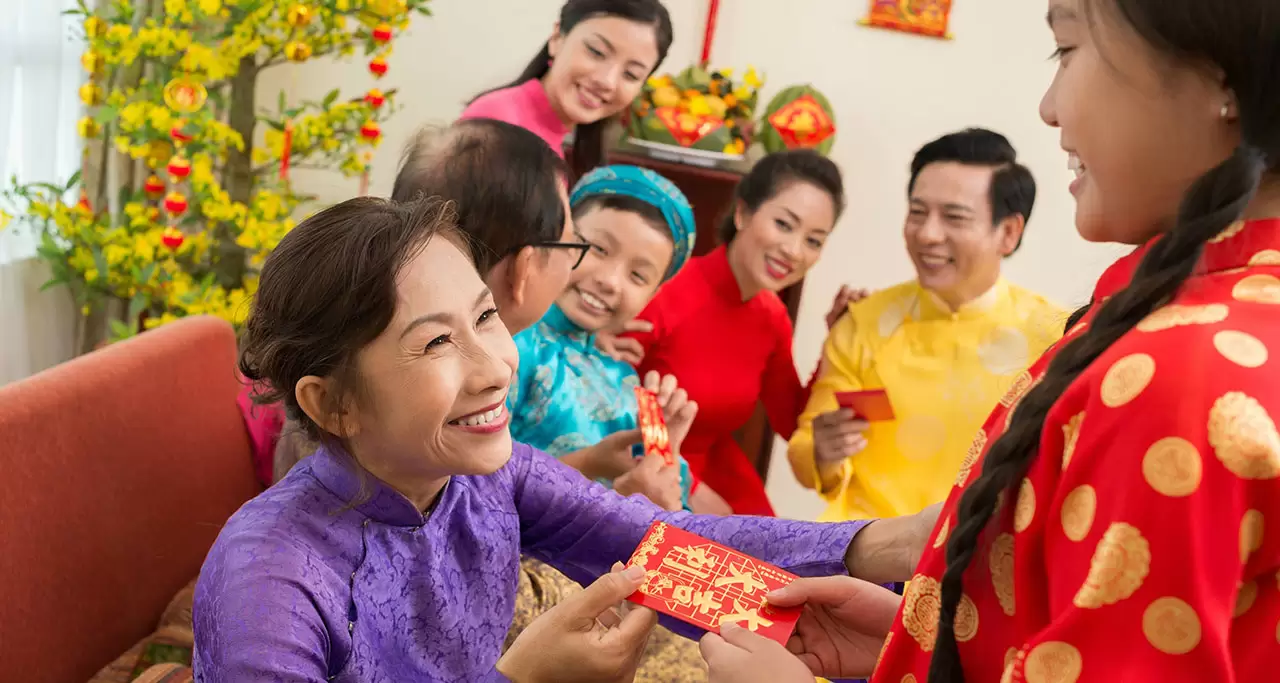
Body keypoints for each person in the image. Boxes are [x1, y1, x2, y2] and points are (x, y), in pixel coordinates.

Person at [695, 0, 1280, 680]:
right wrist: (932, 639)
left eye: (1065, 51)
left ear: (1217, 79)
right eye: (917, 213)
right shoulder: (1197, 328)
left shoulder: (1176, 372)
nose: (1048, 107)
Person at [193, 195, 894, 681]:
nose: (496, 365)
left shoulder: (487, 478)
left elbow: (661, 546)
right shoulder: (272, 575)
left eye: (487, 316)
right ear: (333, 402)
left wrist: (880, 548)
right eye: (437, 340)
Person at [263, 119, 591, 481]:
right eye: (572, 244)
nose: (497, 374)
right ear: (524, 268)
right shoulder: (431, 426)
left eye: (484, 317)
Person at [787, 129, 1066, 522]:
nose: (927, 234)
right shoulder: (865, 322)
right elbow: (803, 450)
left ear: (1008, 232)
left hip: (977, 562)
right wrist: (823, 450)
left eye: (954, 217)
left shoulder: (1054, 337)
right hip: (864, 555)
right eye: (917, 213)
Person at [622, 149, 846, 516]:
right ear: (742, 213)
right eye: (784, 224)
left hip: (720, 471)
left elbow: (792, 422)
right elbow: (610, 395)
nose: (793, 251)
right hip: (642, 463)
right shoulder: (665, 288)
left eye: (814, 241)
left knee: (784, 559)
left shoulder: (771, 316)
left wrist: (837, 342)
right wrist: (685, 484)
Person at [509, 164, 698, 511]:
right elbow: (469, 487)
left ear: (653, 295)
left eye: (638, 275)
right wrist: (591, 463)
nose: (611, 281)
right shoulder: (511, 341)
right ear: (561, 232)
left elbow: (672, 511)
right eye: (598, 248)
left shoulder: (629, 385)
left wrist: (666, 450)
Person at [459, 0, 672, 170]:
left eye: (631, 74)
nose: (606, 81)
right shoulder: (496, 124)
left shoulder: (574, 142)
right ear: (557, 38)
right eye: (596, 52)